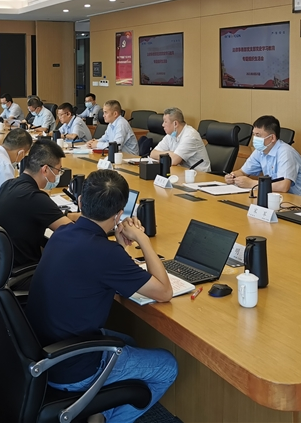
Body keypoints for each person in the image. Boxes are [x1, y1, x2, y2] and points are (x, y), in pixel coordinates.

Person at [26, 170, 177, 423]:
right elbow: (164, 292)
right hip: (73, 369)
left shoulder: (62, 233)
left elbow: (97, 269)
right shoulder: (106, 254)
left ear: (80, 201)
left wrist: (119, 247)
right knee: (168, 366)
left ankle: (97, 412)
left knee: (128, 341)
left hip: (41, 352)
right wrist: (142, 239)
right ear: (119, 214)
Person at [0, 141, 76, 268]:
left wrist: (70, 215)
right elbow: (75, 234)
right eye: (59, 170)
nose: (58, 175)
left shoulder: (9, 184)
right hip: (23, 271)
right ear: (45, 169)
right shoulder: (35, 197)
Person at [225, 115, 301, 198]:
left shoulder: (286, 152)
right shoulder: (260, 150)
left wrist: (251, 183)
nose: (254, 138)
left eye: (258, 135)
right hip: (278, 197)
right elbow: (243, 172)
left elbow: (283, 186)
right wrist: (233, 176)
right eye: (253, 134)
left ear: (272, 138)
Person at [150, 108, 210, 172]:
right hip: (182, 171)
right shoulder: (170, 135)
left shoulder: (190, 136)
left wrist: (171, 156)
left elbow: (174, 161)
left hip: (200, 174)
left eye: (165, 122)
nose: (163, 125)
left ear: (175, 124)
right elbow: (153, 154)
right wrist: (170, 154)